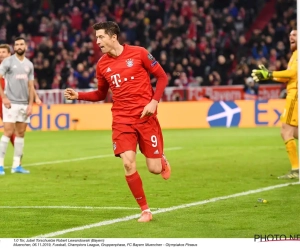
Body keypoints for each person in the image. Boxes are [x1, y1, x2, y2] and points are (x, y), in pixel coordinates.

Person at [64, 21, 171, 222]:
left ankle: (161, 159)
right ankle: (145, 210)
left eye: (101, 37)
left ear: (113, 37)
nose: (97, 41)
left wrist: (154, 102)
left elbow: (162, 77)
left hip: (145, 117)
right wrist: (78, 95)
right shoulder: (102, 65)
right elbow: (100, 94)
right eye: (96, 37)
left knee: (154, 169)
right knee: (129, 164)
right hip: (122, 120)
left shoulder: (139, 53)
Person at [251, 29, 299, 179]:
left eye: (295, 34)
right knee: (293, 132)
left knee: (286, 131)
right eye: (290, 34)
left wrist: (271, 74)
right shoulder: (295, 55)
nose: (291, 36)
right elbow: (288, 77)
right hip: (294, 93)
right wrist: (269, 77)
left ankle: (296, 170)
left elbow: (292, 74)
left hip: (295, 95)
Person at [0, 38, 36, 175]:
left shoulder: (29, 64)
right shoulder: (8, 62)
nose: (19, 46)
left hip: (24, 104)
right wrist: (4, 97)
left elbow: (30, 86)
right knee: (8, 132)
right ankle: (0, 165)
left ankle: (16, 166)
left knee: (20, 134)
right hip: (11, 103)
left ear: (26, 46)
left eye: (21, 44)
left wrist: (31, 104)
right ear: (14, 47)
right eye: (16, 44)